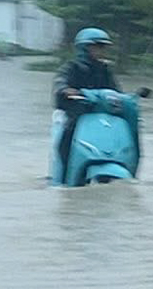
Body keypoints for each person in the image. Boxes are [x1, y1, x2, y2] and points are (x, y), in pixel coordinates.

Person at [53, 27, 126, 179]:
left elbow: (116, 90)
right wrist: (66, 90)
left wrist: (127, 99)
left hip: (101, 114)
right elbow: (60, 82)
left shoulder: (105, 69)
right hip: (78, 112)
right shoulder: (71, 67)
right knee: (68, 132)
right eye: (97, 47)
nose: (101, 51)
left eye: (103, 47)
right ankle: (64, 172)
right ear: (84, 48)